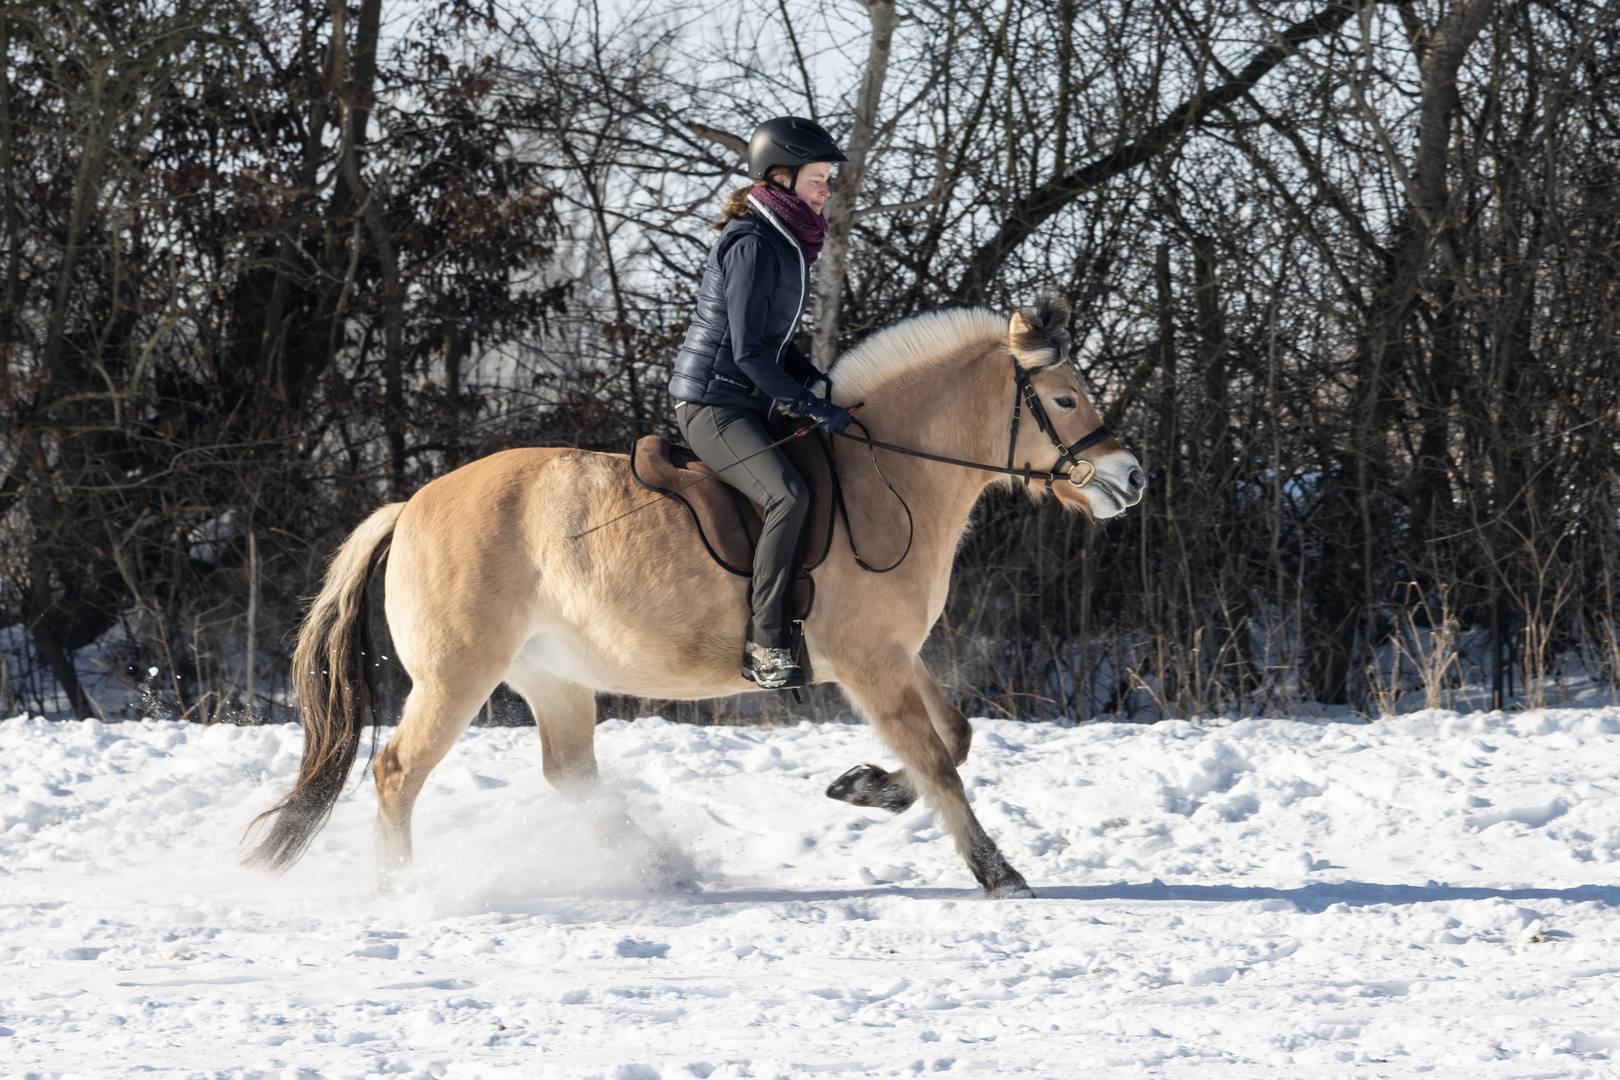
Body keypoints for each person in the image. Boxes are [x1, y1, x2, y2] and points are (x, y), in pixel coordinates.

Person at [669, 116, 856, 690]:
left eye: (829, 179)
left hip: (749, 403)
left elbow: (777, 344)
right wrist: (806, 403)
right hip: (713, 405)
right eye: (818, 178)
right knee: (788, 493)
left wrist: (820, 383)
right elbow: (751, 353)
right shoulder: (752, 243)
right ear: (781, 175)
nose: (828, 189)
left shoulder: (785, 241)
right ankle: (768, 643)